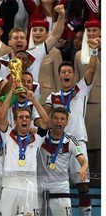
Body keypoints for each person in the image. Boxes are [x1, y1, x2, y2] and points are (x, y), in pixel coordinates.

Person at [44, 37, 100, 216]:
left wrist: (94, 51)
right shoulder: (52, 97)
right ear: (59, 76)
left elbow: (91, 68)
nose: (67, 74)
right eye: (63, 72)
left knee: (82, 184)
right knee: (54, 184)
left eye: (70, 72)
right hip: (56, 144)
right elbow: (43, 118)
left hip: (77, 141)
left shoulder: (81, 89)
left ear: (74, 76)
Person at [0, 82, 49, 215]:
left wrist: (33, 100)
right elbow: (1, 116)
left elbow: (46, 121)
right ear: (15, 121)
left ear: (30, 121)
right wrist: (11, 92)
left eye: (27, 117)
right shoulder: (8, 135)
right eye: (21, 117)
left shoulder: (36, 138)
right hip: (9, 187)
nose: (24, 119)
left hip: (29, 188)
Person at [37, 107, 88, 216]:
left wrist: (83, 168)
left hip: (60, 188)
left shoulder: (70, 139)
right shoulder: (41, 136)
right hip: (40, 186)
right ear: (51, 121)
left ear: (66, 122)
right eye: (55, 118)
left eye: (62, 119)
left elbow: (84, 161)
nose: (59, 121)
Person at [74, 19, 101, 178]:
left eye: (95, 30)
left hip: (100, 101)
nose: (91, 33)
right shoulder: (79, 55)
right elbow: (76, 79)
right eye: (89, 30)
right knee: (87, 143)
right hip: (85, 103)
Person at [28, 20, 63, 104]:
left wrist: (59, 99)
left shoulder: (55, 53)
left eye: (41, 30)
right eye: (35, 30)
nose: (37, 33)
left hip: (47, 94)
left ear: (47, 33)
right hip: (30, 94)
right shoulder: (27, 53)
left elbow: (58, 78)